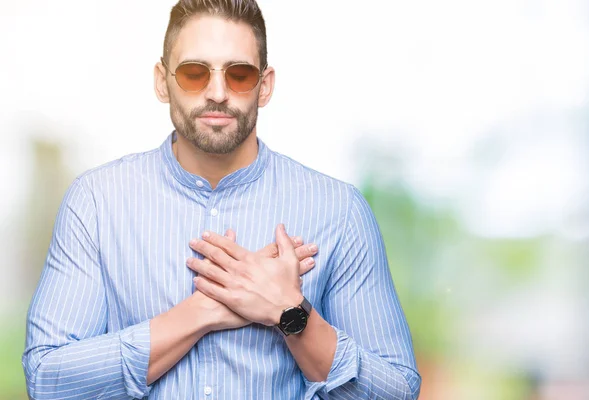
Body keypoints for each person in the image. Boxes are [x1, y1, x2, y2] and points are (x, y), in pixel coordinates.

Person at [22, 0, 421, 398]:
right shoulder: (96, 203)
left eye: (240, 74)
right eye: (194, 73)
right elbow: (48, 381)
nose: (217, 93)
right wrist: (202, 311)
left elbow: (398, 392)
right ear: (163, 81)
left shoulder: (340, 211)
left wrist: (289, 312)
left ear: (265, 86)